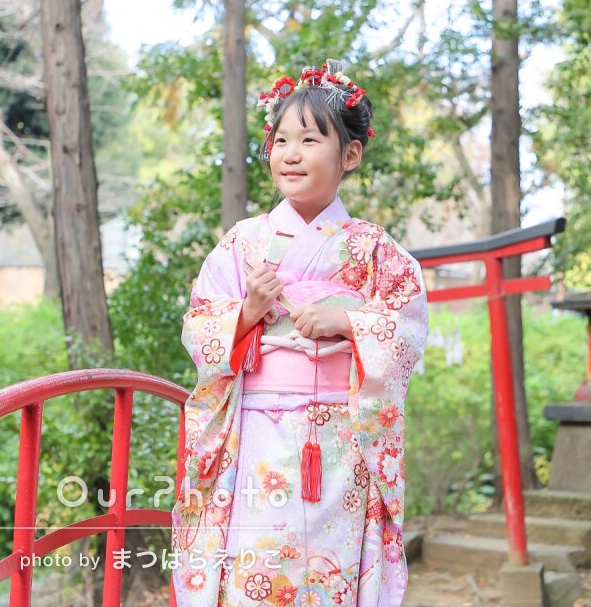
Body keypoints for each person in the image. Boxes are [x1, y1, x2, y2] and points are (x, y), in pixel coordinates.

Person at [171, 60, 428, 606]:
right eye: (281, 140)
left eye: (309, 140)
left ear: (349, 155)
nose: (290, 153)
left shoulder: (373, 248)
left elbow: (406, 326)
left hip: (340, 437)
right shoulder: (243, 242)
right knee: (257, 564)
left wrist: (347, 322)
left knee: (333, 566)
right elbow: (200, 325)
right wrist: (248, 311)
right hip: (256, 432)